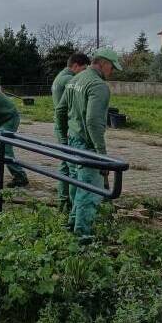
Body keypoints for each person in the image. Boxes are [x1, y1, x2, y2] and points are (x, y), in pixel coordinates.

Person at [55, 47, 122, 239]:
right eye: (112, 68)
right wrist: (101, 154)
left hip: (74, 139)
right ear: (103, 64)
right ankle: (82, 236)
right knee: (90, 190)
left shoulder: (75, 79)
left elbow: (60, 111)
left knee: (79, 184)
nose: (113, 72)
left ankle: (72, 222)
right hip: (87, 143)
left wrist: (63, 139)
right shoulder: (98, 86)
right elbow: (93, 121)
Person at [51, 53, 91, 211]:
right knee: (71, 167)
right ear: (75, 65)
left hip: (61, 125)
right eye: (83, 68)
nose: (84, 72)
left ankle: (63, 200)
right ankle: (70, 204)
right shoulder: (69, 80)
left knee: (65, 164)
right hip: (67, 127)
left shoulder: (60, 76)